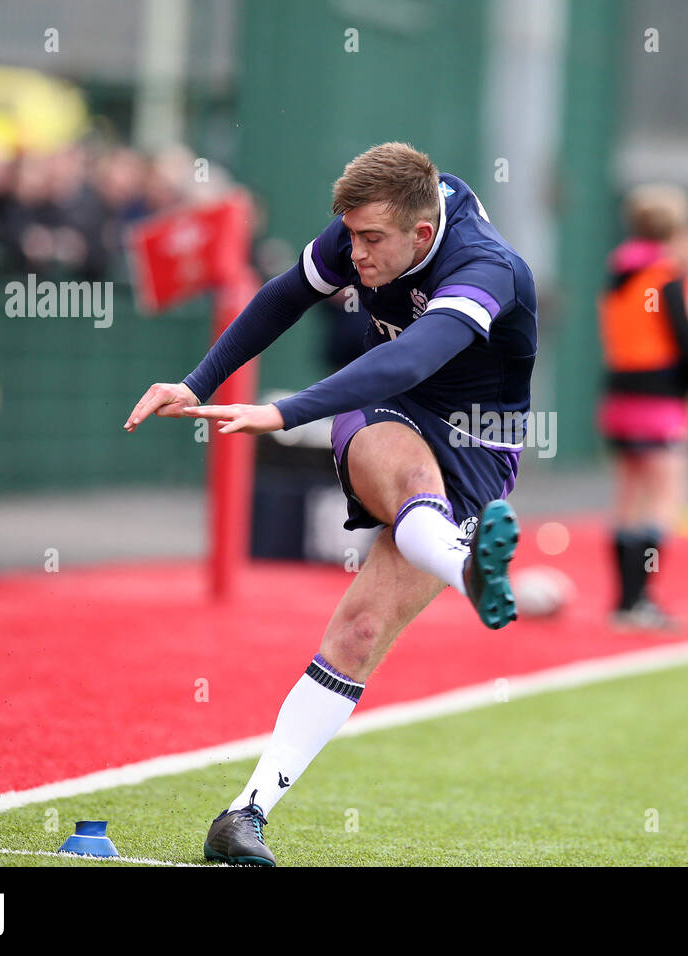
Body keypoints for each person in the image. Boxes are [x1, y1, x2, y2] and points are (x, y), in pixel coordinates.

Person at [123, 142, 537, 866]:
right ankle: (468, 567)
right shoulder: (369, 229)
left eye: (371, 240)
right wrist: (200, 382)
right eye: (349, 235)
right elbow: (286, 295)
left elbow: (411, 354)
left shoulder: (486, 267)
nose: (356, 254)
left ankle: (237, 818)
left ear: (422, 232)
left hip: (478, 441)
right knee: (413, 488)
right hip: (389, 409)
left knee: (359, 632)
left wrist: (285, 415)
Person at [597, 185, 688, 632]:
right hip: (660, 401)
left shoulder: (616, 273)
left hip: (619, 397)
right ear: (675, 230)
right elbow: (685, 344)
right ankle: (638, 601)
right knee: (664, 501)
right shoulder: (668, 277)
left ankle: (623, 602)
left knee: (627, 500)